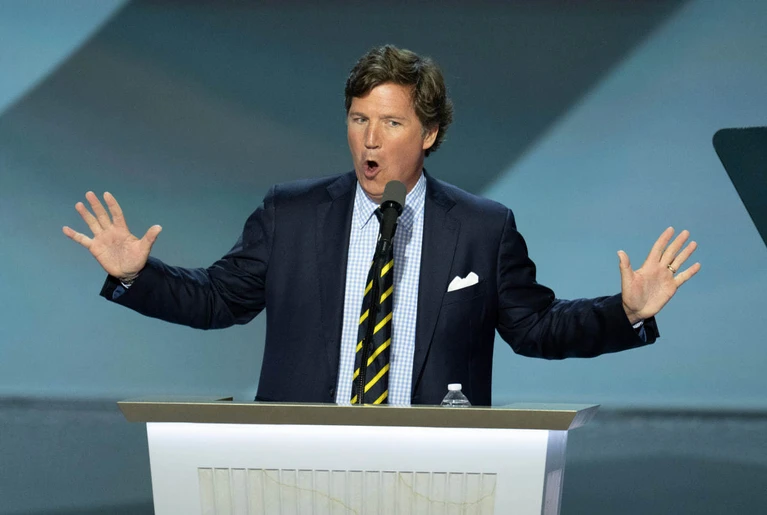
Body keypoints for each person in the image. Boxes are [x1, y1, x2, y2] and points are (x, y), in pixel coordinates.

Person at [63, 45, 700, 406]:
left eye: (391, 123)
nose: (370, 139)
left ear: (430, 133)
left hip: (435, 470)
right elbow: (217, 299)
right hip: (300, 461)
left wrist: (625, 312)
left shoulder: (482, 228)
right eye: (358, 119)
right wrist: (138, 276)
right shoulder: (291, 214)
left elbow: (536, 328)